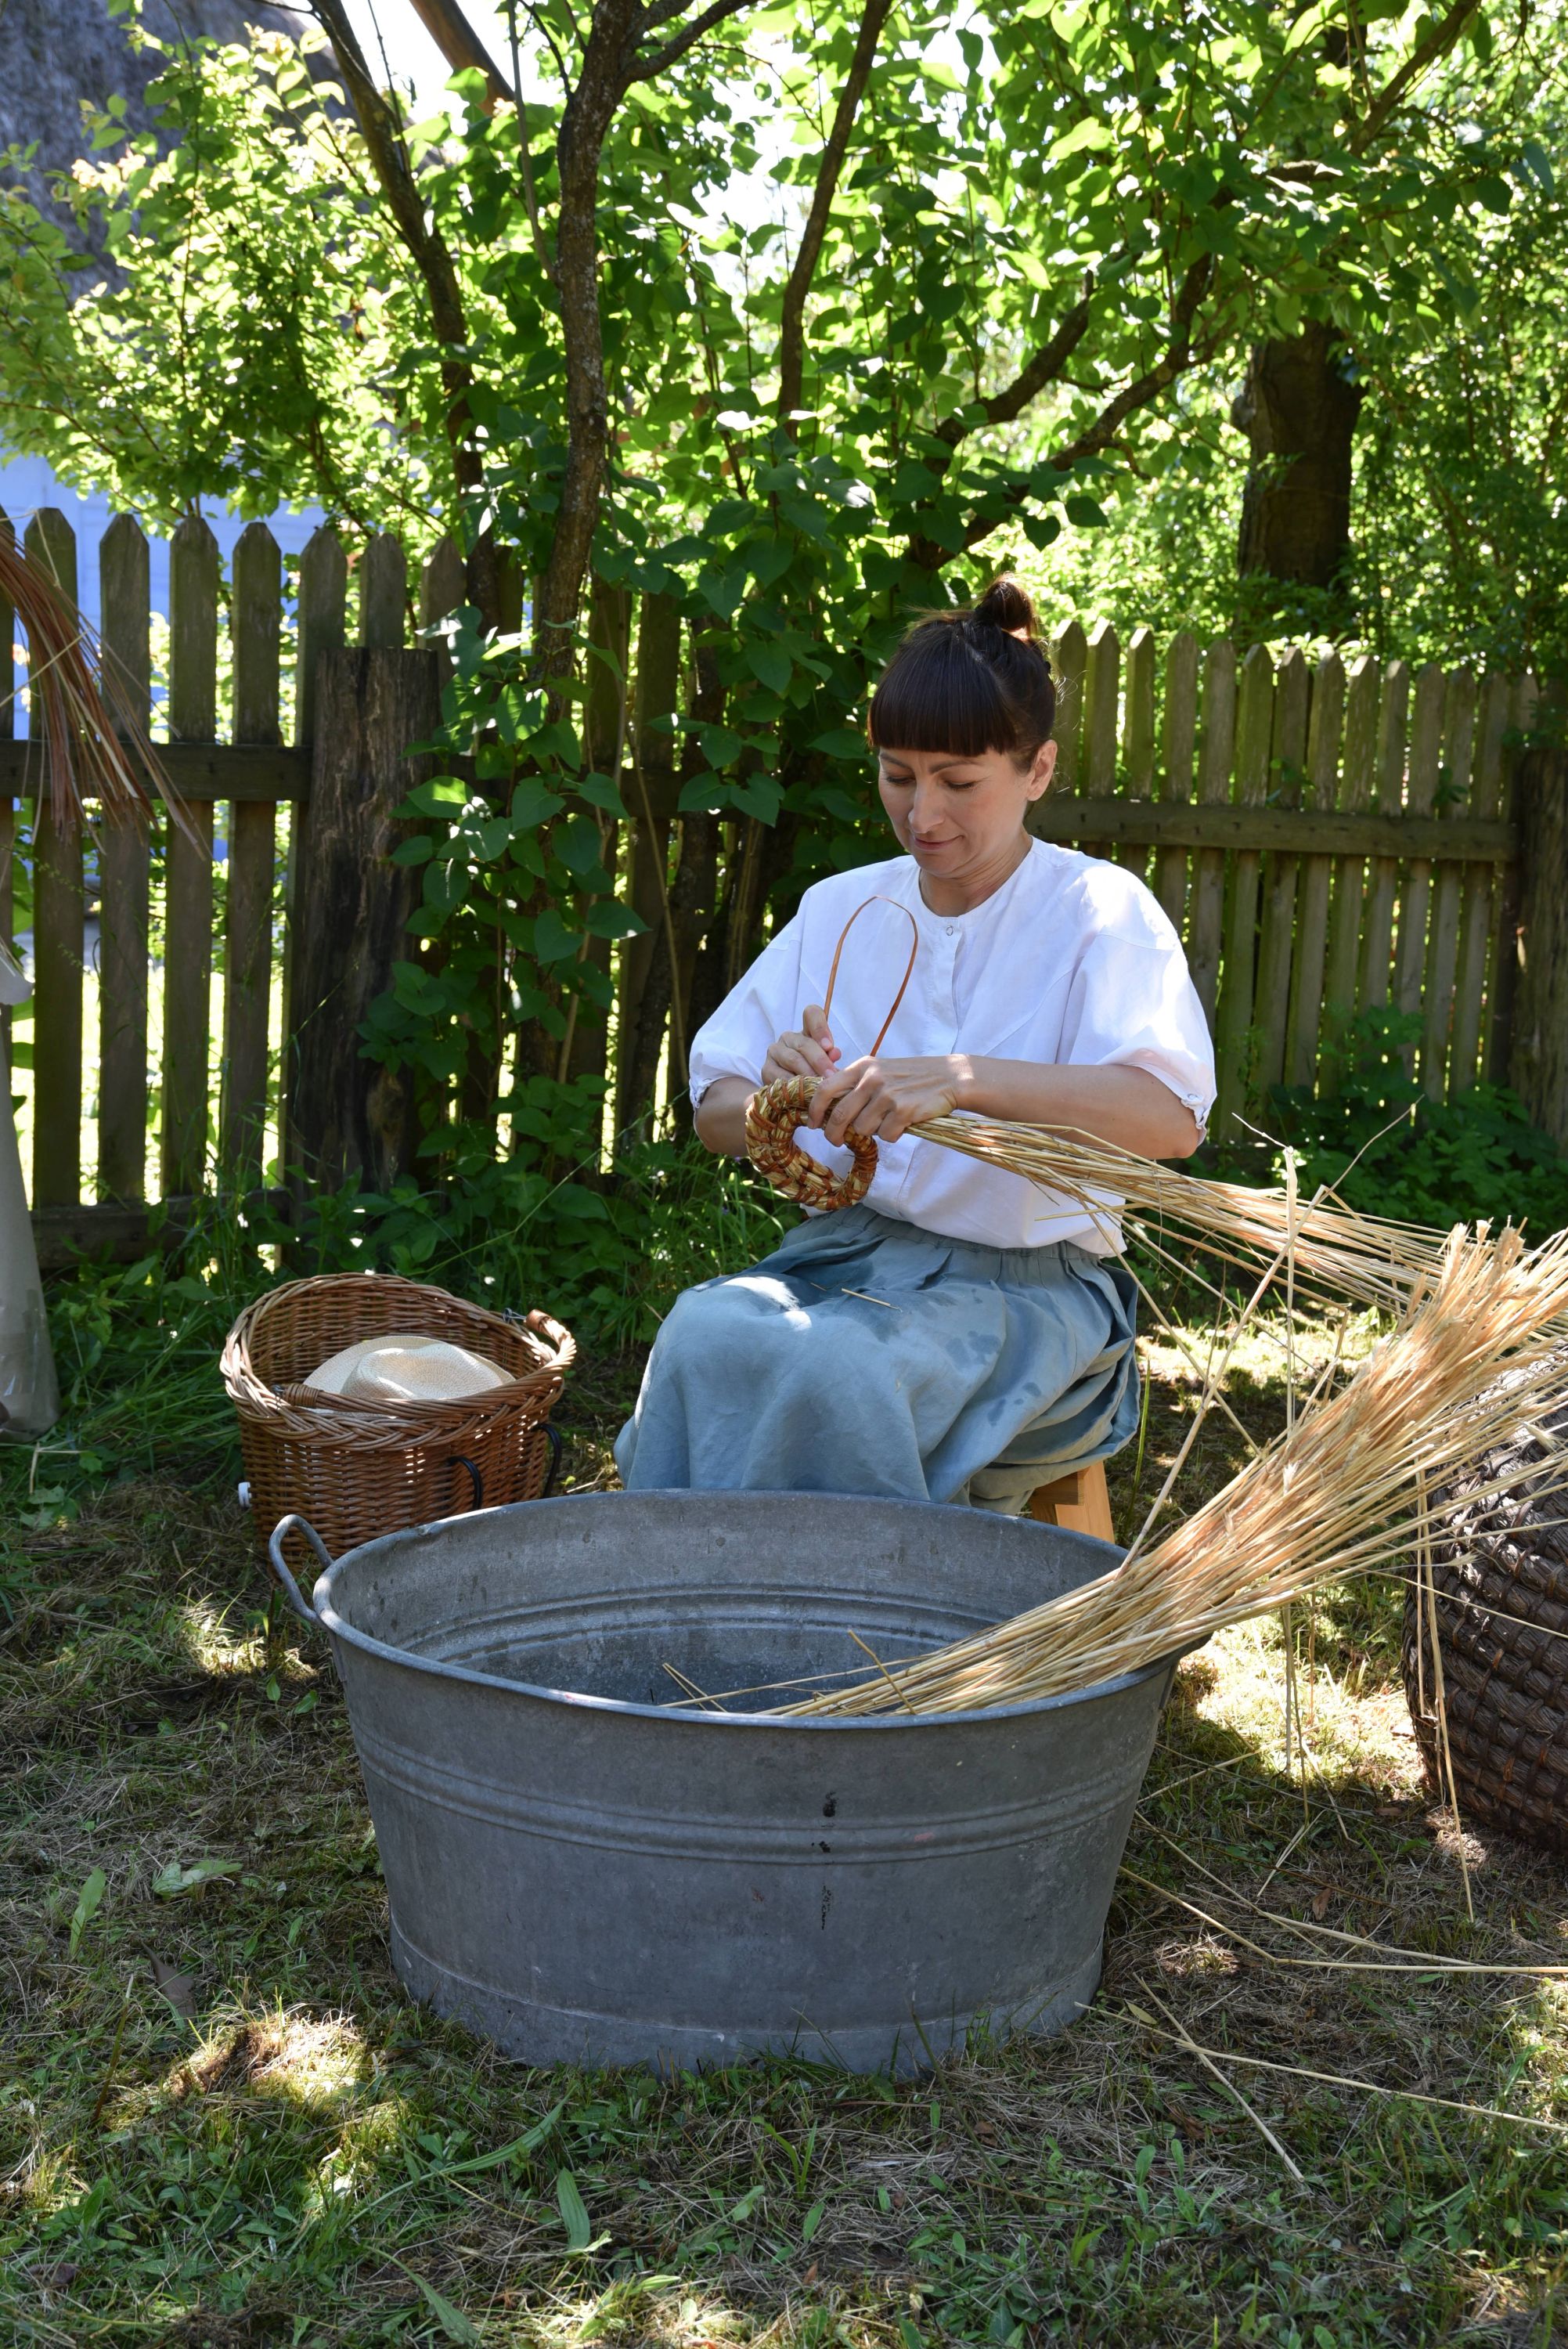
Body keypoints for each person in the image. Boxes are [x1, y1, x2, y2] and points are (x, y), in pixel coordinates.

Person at [614, 578, 1216, 1514]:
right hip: (854, 1254)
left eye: (958, 782)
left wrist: (966, 1081)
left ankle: (862, 1644)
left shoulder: (1098, 911)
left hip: (1030, 1293)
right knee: (702, 1331)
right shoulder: (843, 907)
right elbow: (713, 1112)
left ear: (1039, 771)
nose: (922, 813)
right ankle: (699, 1606)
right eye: (897, 775)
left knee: (843, 1373)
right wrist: (778, 1098)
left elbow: (1168, 1121)